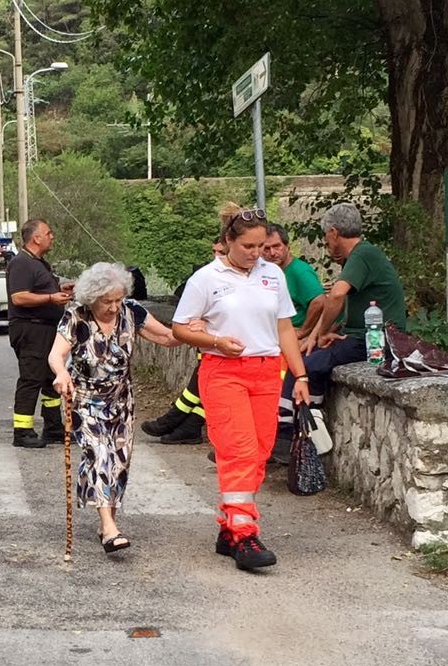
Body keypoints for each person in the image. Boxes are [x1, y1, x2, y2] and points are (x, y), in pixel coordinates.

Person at [172, 204, 311, 572]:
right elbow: (180, 328)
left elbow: (285, 329)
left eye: (262, 246)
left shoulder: (273, 276)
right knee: (238, 449)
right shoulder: (206, 278)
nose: (256, 253)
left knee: (261, 450)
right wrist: (215, 341)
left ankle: (229, 527)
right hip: (223, 370)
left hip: (267, 371)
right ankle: (244, 531)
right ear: (228, 241)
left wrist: (300, 376)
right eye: (248, 246)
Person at [49, 263, 179, 553]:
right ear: (92, 297)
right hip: (83, 398)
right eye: (107, 301)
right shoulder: (76, 316)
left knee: (119, 461)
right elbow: (56, 355)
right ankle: (109, 528)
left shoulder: (132, 312)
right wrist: (61, 373)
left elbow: (167, 337)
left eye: (118, 300)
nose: (113, 307)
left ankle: (106, 519)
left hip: (120, 399)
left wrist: (195, 331)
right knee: (99, 456)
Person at [274, 202, 408, 454]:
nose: (327, 244)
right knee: (303, 360)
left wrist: (322, 333)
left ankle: (293, 434)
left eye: (326, 239)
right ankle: (287, 431)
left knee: (310, 366)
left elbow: (335, 295)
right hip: (363, 334)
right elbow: (342, 308)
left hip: (376, 339)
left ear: (334, 233)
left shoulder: (363, 254)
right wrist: (313, 337)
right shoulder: (359, 257)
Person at [142, 237, 228, 445]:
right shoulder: (210, 277)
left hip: (229, 346)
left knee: (201, 384)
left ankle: (178, 420)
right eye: (214, 251)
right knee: (202, 383)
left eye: (221, 252)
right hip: (211, 342)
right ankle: (188, 423)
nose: (216, 257)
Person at [6, 218, 73, 447]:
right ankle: (22, 432)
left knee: (49, 378)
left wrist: (60, 289)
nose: (52, 236)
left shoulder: (39, 262)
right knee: (31, 378)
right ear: (36, 238)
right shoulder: (21, 263)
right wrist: (51, 298)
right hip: (30, 328)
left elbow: (41, 288)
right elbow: (19, 296)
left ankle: (53, 427)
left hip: (46, 329)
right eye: (48, 232)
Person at [262, 225, 326, 447]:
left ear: (287, 246)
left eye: (277, 247)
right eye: (267, 248)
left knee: (281, 389)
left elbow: (319, 301)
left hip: (292, 340)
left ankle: (279, 440)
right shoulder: (274, 273)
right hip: (277, 340)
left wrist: (304, 332)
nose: (272, 253)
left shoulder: (298, 271)